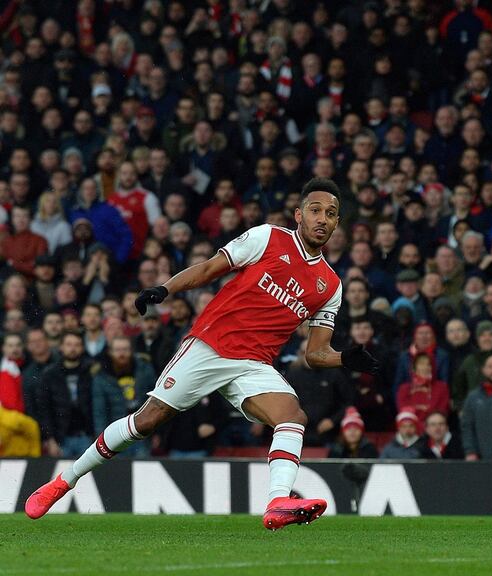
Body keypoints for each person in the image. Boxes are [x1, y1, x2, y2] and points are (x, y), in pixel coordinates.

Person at [25, 179, 381, 531]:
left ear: (337, 224)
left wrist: (346, 359)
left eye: (331, 214)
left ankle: (278, 502)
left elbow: (316, 354)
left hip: (254, 363)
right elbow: (211, 268)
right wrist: (165, 288)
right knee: (145, 422)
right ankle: (64, 481)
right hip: (211, 346)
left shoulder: (330, 286)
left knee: (292, 416)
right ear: (299, 214)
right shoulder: (268, 237)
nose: (323, 218)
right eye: (316, 210)